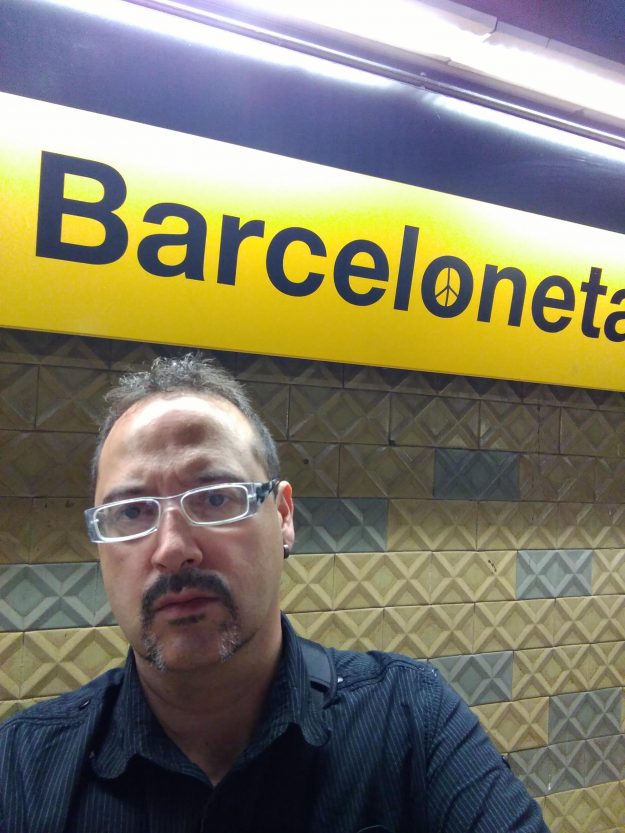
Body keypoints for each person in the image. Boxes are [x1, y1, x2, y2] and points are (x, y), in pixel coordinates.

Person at [0, 354, 550, 833]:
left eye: (216, 498)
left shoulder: (412, 720)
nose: (173, 549)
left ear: (283, 516)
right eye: (132, 512)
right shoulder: (22, 767)